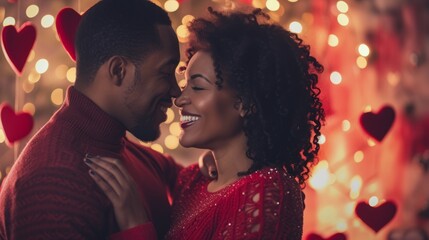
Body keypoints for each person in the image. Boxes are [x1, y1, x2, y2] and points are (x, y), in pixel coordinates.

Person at [87, 7, 325, 240]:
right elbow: (136, 155)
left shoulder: (269, 192)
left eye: (198, 87)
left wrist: (135, 225)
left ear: (245, 103)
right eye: (186, 84)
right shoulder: (192, 181)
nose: (179, 99)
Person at [0, 0, 186, 239]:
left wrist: (213, 163)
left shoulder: (114, 146)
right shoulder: (52, 185)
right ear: (119, 70)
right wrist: (137, 230)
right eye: (164, 72)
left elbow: (176, 174)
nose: (176, 91)